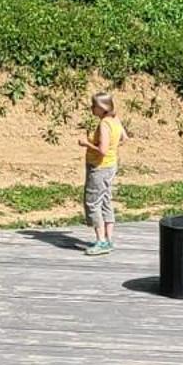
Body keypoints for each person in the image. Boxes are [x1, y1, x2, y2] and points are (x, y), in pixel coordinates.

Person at [79, 92, 127, 255]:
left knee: (93, 202)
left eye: (93, 106)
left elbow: (102, 150)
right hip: (111, 166)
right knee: (106, 199)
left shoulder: (104, 125)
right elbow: (124, 138)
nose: (92, 109)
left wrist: (86, 143)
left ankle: (100, 241)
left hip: (99, 167)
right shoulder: (115, 120)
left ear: (101, 108)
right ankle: (108, 238)